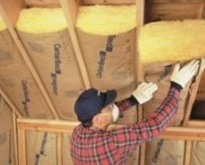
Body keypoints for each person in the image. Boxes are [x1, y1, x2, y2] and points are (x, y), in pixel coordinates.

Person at [70, 60, 200, 165]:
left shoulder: (78, 133)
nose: (114, 106)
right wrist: (176, 87)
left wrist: (133, 100)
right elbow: (155, 125)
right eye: (109, 106)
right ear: (98, 120)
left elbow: (110, 113)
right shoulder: (111, 142)